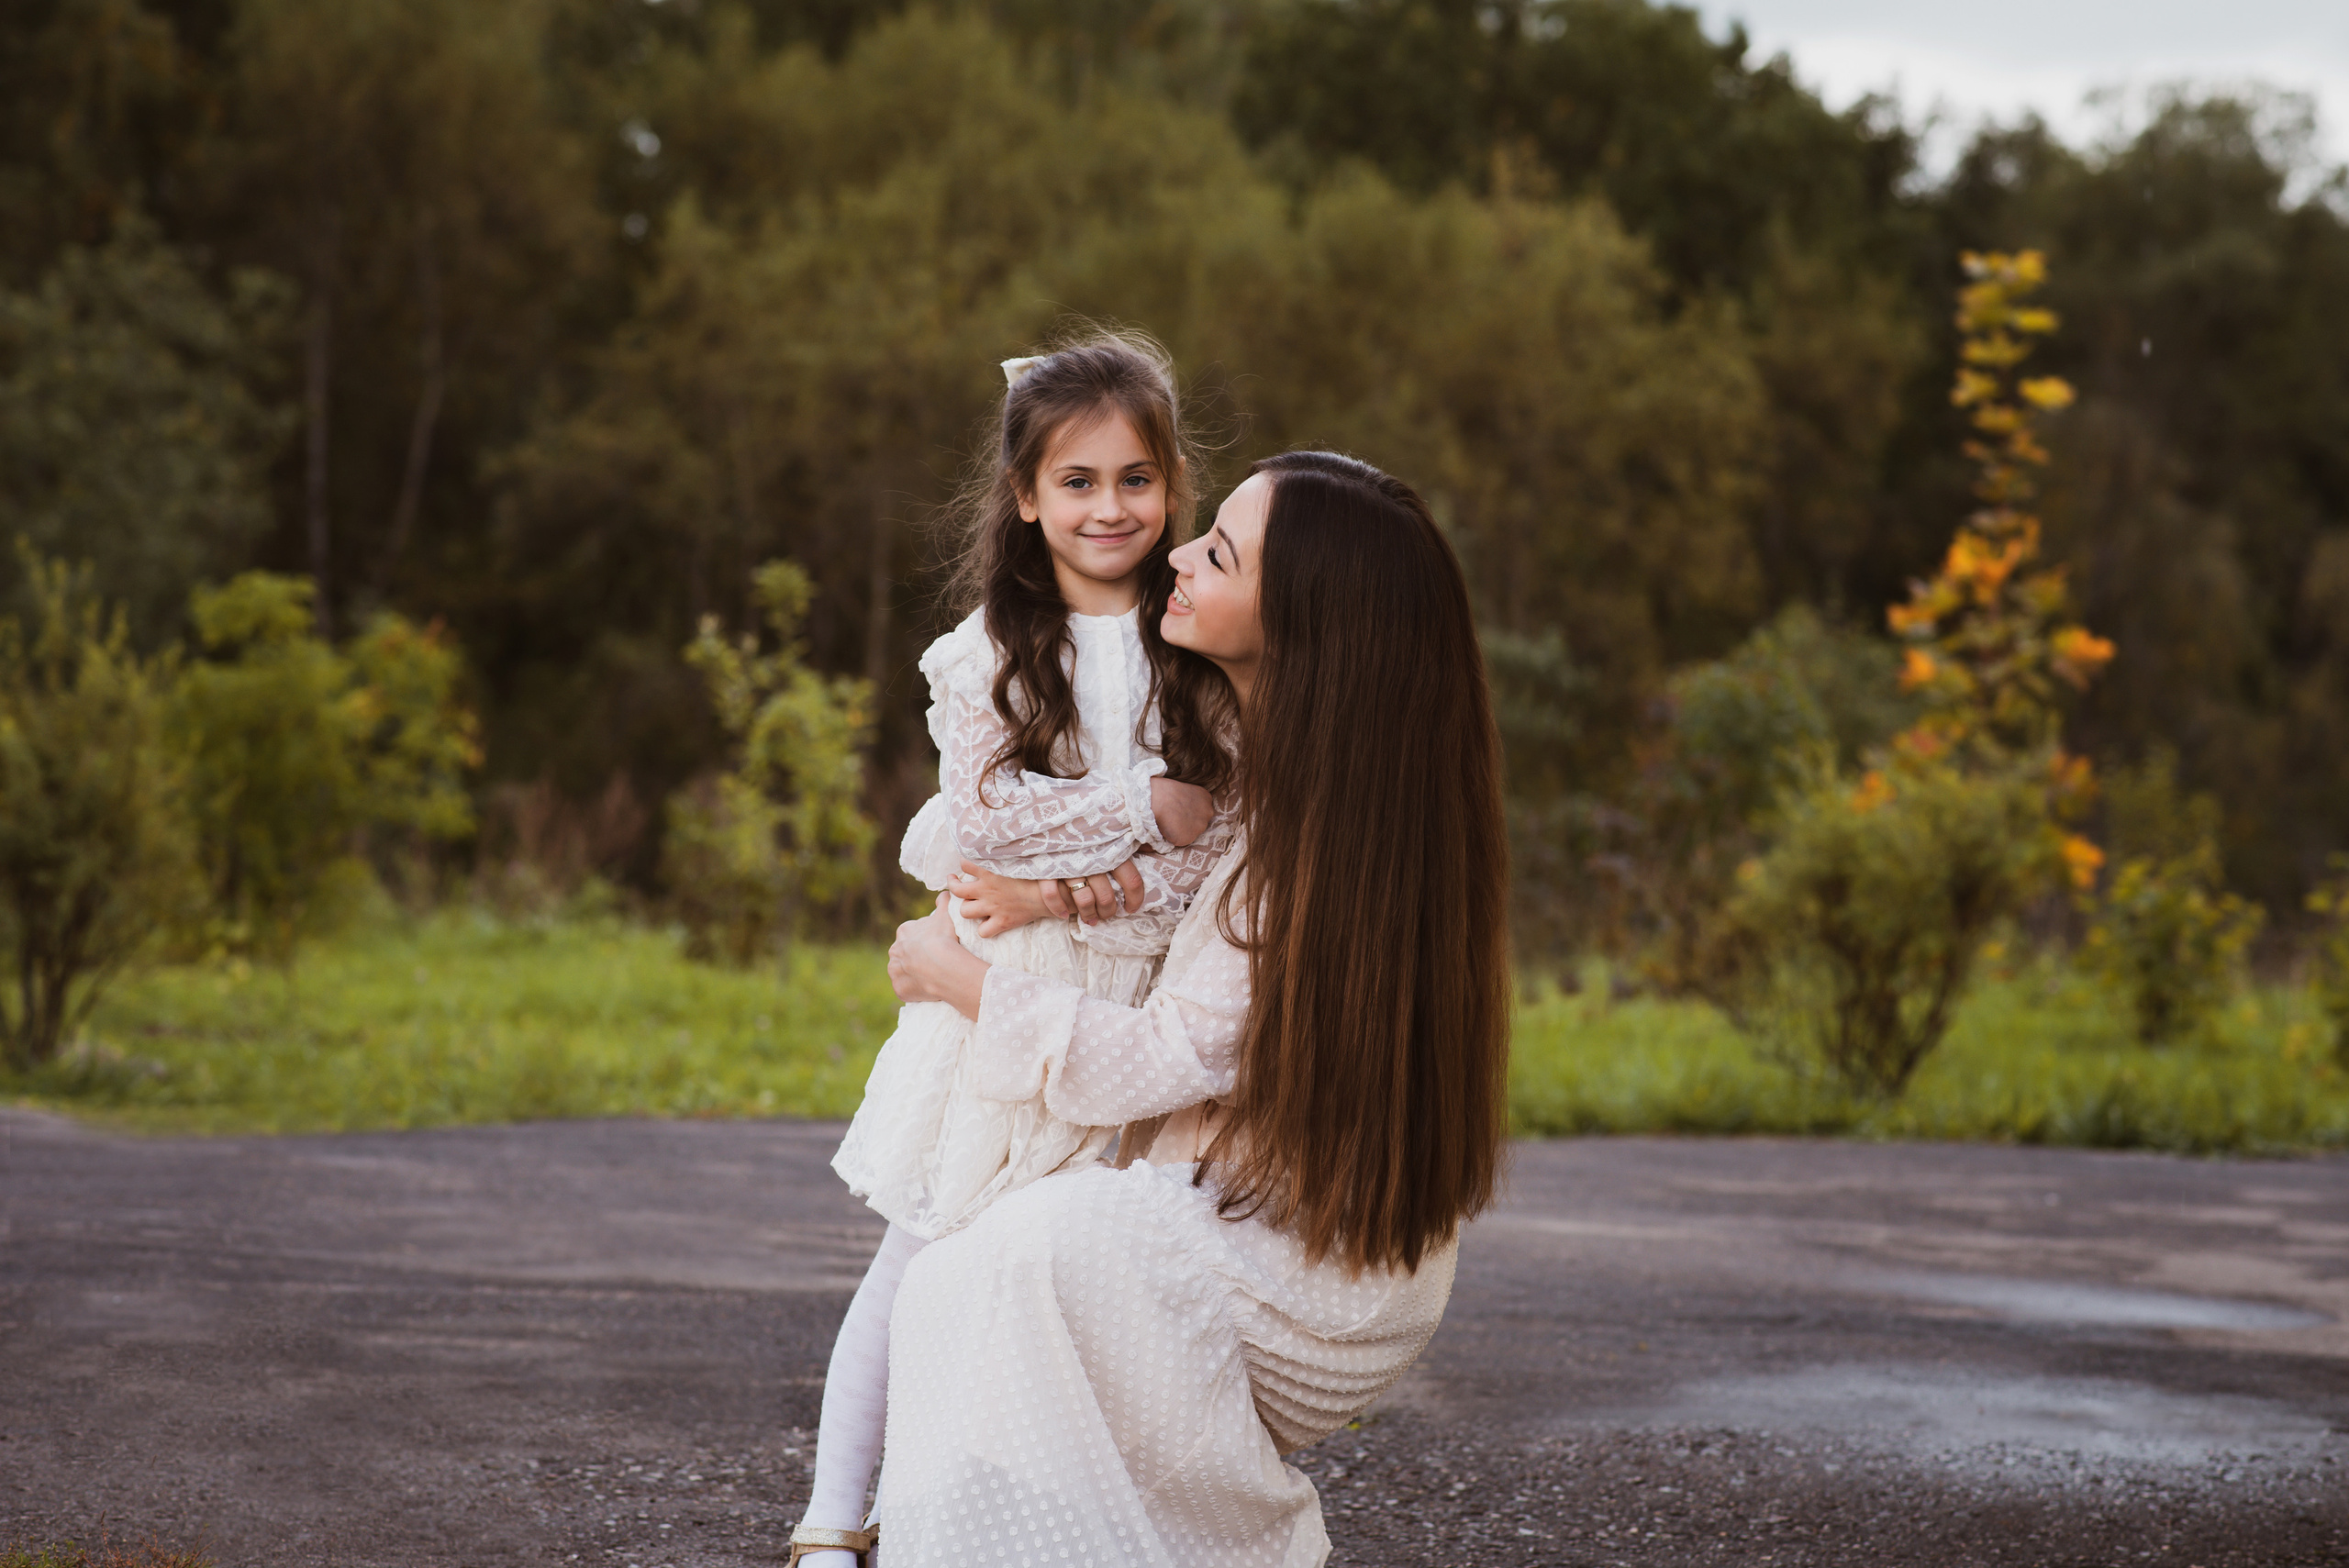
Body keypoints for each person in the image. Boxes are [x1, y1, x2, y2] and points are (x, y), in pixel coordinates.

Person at [874, 450, 1511, 1566]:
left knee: (1005, 1264)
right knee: (980, 1268)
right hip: (1248, 1215)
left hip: (1308, 1274)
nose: (1175, 550)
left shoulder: (1330, 845)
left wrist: (963, 978)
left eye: (1217, 551)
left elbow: (1171, 1050)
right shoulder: (1274, 774)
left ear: (1304, 625)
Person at [786, 334, 1240, 1567]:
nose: (1110, 507)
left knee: (1053, 1285)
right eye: (1078, 482)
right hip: (1000, 995)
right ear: (1027, 496)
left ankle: (1012, 1509)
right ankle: (832, 1515)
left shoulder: (1200, 645)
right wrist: (1142, 815)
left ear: (1175, 484)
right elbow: (985, 817)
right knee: (925, 1253)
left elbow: (1219, 844)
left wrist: (1079, 889)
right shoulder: (987, 652)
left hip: (1124, 1008)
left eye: (1135, 479)